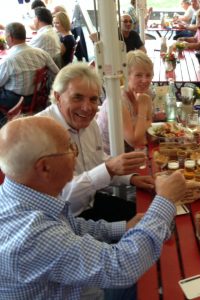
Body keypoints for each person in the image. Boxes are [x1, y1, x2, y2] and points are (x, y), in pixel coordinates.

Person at [0, 115, 187, 299]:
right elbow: (120, 268)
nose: (76, 154)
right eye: (70, 148)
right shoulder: (31, 234)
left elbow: (71, 228)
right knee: (161, 280)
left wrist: (124, 227)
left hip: (74, 285)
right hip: (85, 292)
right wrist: (165, 199)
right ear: (45, 167)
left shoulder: (21, 195)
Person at [37, 63, 154, 222]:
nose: (87, 108)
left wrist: (130, 178)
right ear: (58, 97)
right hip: (60, 220)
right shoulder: (42, 131)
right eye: (77, 97)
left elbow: (99, 160)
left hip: (90, 203)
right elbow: (66, 197)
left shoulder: (89, 123)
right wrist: (109, 168)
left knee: (150, 217)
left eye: (93, 99)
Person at [0, 22, 59, 124]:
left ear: (10, 38)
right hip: (37, 96)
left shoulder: (8, 61)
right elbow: (57, 72)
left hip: (15, 100)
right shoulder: (41, 53)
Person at [97, 50, 153, 155]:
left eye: (148, 75)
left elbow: (149, 124)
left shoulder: (145, 93)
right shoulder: (118, 101)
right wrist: (143, 107)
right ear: (127, 76)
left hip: (130, 152)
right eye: (139, 75)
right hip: (109, 158)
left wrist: (140, 131)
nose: (145, 80)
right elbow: (135, 142)